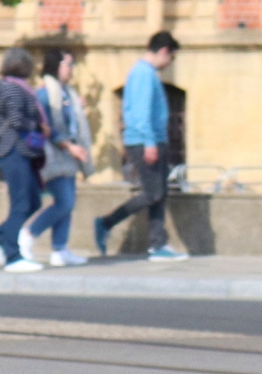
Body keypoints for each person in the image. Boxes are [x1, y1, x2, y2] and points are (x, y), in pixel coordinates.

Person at [91, 31, 186, 262]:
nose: (169, 63)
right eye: (171, 58)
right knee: (153, 193)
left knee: (159, 194)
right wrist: (150, 143)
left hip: (151, 139)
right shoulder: (144, 74)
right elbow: (141, 113)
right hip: (145, 141)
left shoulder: (145, 73)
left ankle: (158, 245)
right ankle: (106, 223)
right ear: (164, 51)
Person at [0, 45, 49, 274]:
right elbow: (16, 120)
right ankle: (12, 255)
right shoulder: (14, 89)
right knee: (21, 203)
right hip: (14, 150)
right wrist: (38, 127)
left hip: (19, 151)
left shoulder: (12, 87)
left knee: (33, 201)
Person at [26, 47, 92, 266]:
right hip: (53, 155)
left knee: (68, 202)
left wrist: (75, 109)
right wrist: (68, 146)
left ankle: (60, 248)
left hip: (68, 155)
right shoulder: (45, 93)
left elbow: (67, 119)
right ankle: (29, 234)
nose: (72, 69)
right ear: (56, 66)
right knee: (64, 202)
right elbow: (45, 125)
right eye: (68, 64)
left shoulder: (65, 92)